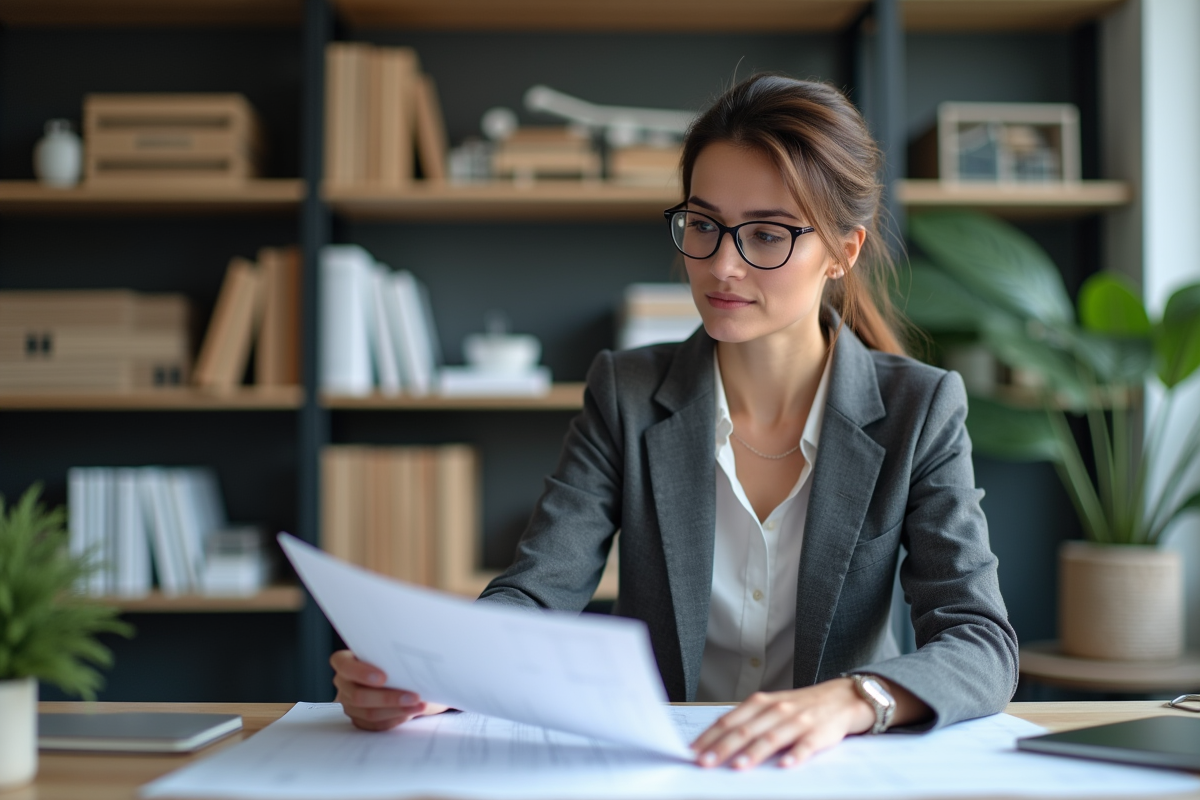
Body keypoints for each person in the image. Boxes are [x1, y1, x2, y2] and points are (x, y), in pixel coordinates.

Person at [330, 73, 1018, 770]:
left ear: (844, 251)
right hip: (661, 767)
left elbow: (980, 643)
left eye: (768, 234)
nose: (721, 265)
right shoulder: (626, 392)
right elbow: (541, 587)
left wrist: (850, 701)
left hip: (834, 769)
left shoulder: (918, 409)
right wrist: (437, 672)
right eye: (703, 224)